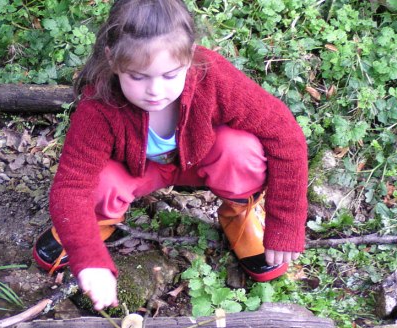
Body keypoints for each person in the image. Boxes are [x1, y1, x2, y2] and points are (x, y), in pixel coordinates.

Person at [33, 0, 308, 311]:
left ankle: (239, 215)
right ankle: (95, 223)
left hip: (200, 160)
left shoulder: (213, 77)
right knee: (99, 182)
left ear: (189, 57)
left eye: (170, 75)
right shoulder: (100, 104)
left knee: (241, 150)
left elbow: (285, 133)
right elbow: (72, 186)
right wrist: (89, 258)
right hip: (135, 173)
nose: (155, 90)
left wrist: (285, 222)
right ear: (112, 60)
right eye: (138, 77)